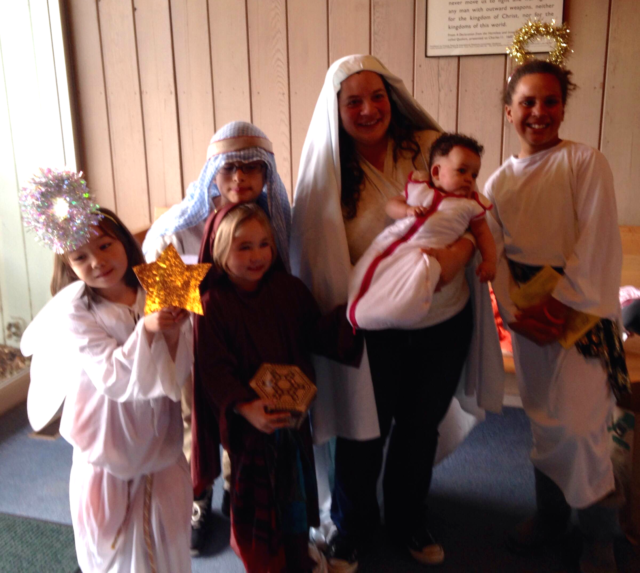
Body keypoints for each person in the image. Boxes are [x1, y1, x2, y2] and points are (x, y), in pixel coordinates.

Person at [291, 54, 504, 571]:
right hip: (376, 329)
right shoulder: (328, 170)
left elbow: (473, 212)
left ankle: (409, 515)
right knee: (363, 428)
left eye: (377, 96)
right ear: (335, 109)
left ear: (394, 97)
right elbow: (315, 253)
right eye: (354, 100)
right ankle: (352, 523)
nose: (368, 109)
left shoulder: (431, 146)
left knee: (418, 426)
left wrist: (453, 261)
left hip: (442, 323)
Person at [484, 60, 630, 573]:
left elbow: (597, 242)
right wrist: (514, 310)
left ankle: (598, 535)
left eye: (550, 101)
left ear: (564, 107)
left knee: (581, 429)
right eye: (527, 102)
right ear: (509, 112)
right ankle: (550, 518)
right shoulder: (498, 184)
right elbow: (495, 254)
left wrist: (560, 301)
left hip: (581, 315)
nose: (539, 112)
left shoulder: (584, 163)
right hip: (530, 320)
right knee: (544, 421)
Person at [20, 170, 193, 573]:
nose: (97, 261)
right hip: (108, 443)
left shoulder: (158, 284)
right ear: (68, 264)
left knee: (167, 540)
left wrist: (176, 329)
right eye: (80, 257)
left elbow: (177, 373)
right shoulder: (75, 311)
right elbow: (113, 377)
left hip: (158, 441)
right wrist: (148, 329)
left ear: (124, 242)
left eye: (104, 245)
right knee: (113, 549)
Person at [142, 121, 291, 554]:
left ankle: (238, 493)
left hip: (249, 347)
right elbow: (166, 302)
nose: (240, 179)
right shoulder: (179, 228)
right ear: (213, 173)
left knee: (242, 427)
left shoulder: (276, 221)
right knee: (195, 423)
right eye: (228, 170)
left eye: (250, 168)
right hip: (193, 349)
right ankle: (199, 497)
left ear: (266, 173)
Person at [192, 203, 361, 572]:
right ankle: (264, 564)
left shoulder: (289, 289)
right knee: (256, 505)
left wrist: (354, 316)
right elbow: (214, 370)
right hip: (250, 432)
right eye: (243, 247)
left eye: (264, 244)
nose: (257, 256)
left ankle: (298, 556)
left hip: (291, 424)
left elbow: (316, 332)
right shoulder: (213, 304)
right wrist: (245, 407)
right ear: (220, 251)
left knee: (294, 498)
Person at [347, 133, 497, 330]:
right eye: (462, 171)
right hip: (392, 241)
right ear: (436, 172)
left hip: (427, 252)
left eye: (474, 175)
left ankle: (399, 313)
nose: (470, 180)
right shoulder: (418, 187)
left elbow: (483, 234)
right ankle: (358, 312)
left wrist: (489, 261)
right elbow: (391, 206)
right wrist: (407, 210)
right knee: (368, 272)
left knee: (414, 285)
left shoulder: (471, 205)